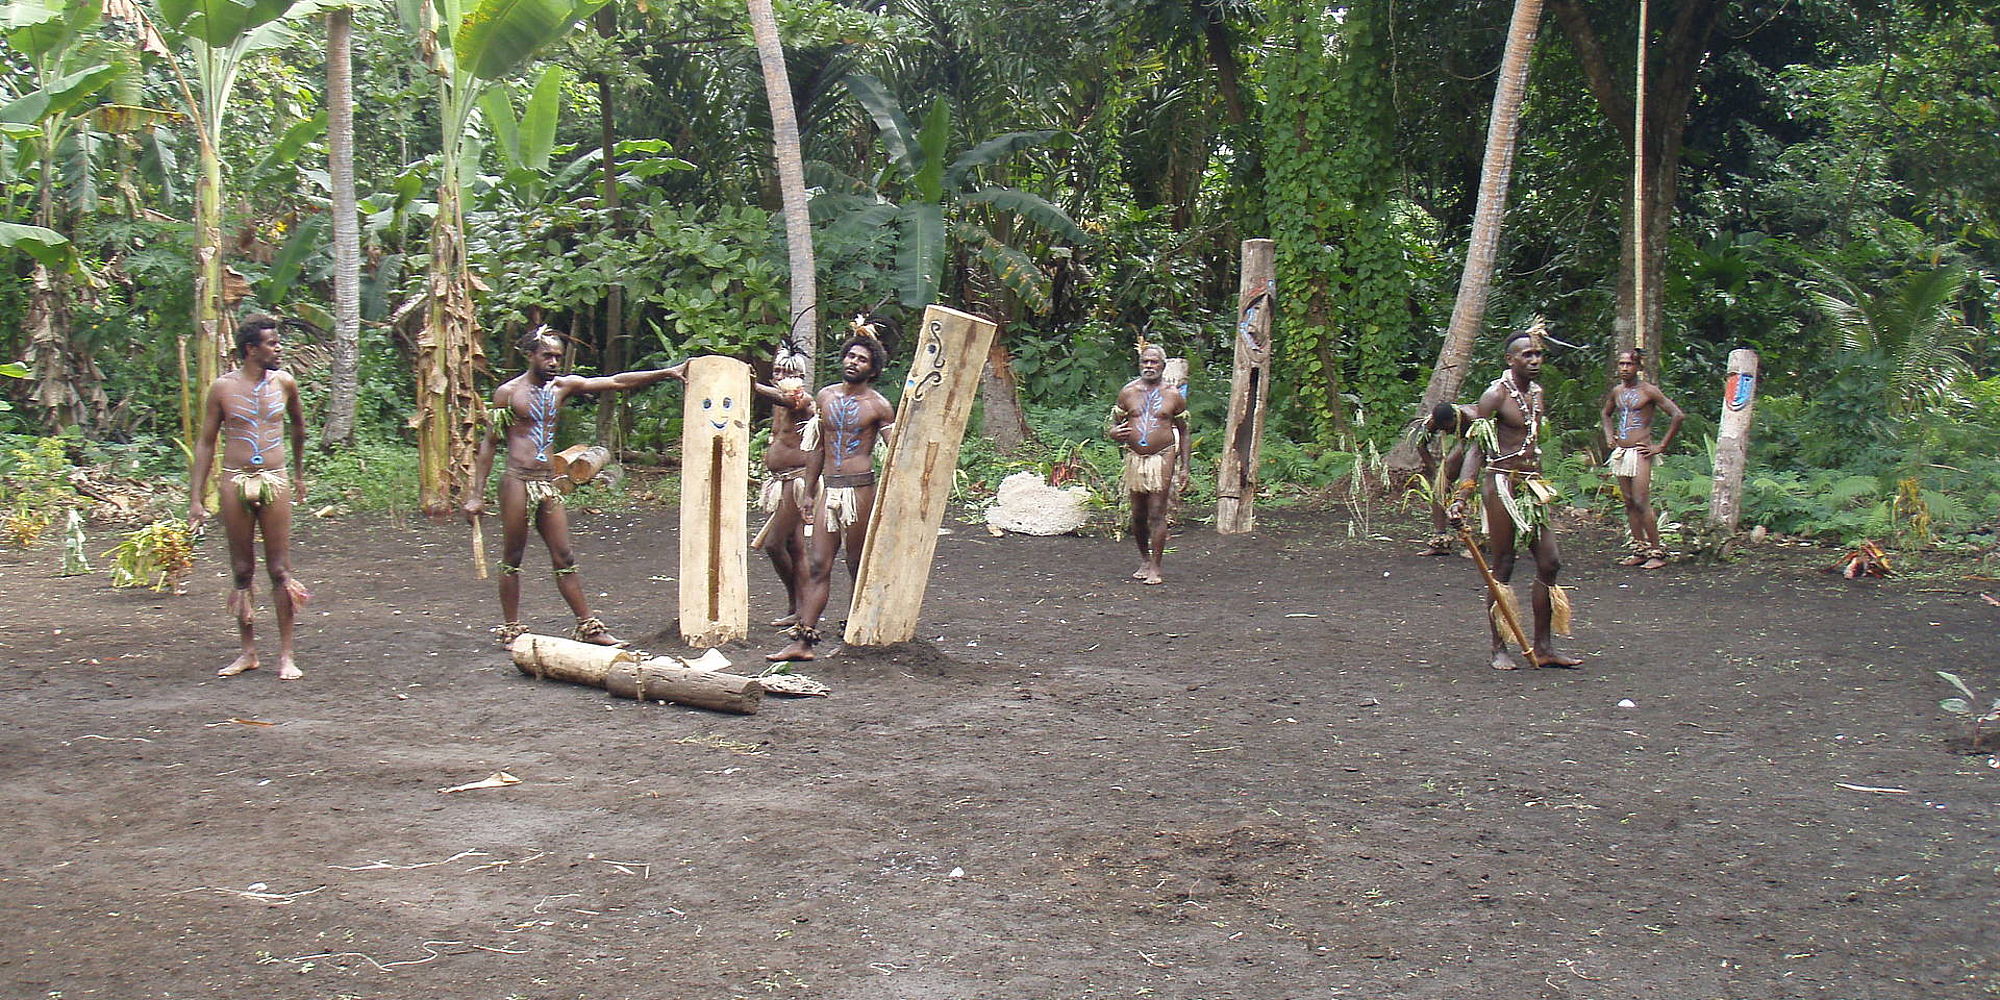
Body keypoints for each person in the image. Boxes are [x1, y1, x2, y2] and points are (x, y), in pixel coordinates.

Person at [466, 328, 685, 647]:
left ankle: (589, 627)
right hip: (516, 481)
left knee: (565, 555)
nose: (554, 362)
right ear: (531, 356)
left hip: (546, 484)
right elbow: (489, 444)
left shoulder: (562, 387)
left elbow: (616, 381)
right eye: (547, 356)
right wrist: (475, 495)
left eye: (558, 356)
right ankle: (512, 628)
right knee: (513, 556)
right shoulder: (508, 393)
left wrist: (667, 371)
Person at [189, 315, 312, 680]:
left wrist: (300, 474)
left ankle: (287, 655)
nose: (279, 349)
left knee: (280, 569)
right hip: (235, 480)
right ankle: (248, 652)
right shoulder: (222, 389)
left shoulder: (285, 383)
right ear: (251, 349)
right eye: (272, 344)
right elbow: (206, 441)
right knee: (242, 570)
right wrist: (196, 498)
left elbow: (299, 427)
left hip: (275, 478)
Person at [767, 319, 896, 662]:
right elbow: (818, 448)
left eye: (862, 360)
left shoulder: (879, 405)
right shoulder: (825, 396)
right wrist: (809, 492)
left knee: (856, 564)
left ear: (873, 369)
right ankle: (803, 642)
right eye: (850, 356)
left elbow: (895, 449)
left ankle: (859, 634)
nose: (853, 362)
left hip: (860, 491)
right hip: (829, 490)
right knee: (819, 565)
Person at [1460, 325, 1581, 669]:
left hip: (1531, 486)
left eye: (1538, 354)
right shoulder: (1494, 396)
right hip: (1500, 485)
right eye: (1526, 355)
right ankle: (1499, 647)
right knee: (1503, 566)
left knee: (1550, 562)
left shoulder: (1538, 393)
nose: (1534, 360)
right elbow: (1476, 449)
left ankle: (1543, 647)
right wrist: (1462, 495)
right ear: (1509, 359)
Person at [1108, 342, 1190, 585]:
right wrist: (1113, 432)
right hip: (1135, 458)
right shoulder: (1128, 392)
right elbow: (1112, 423)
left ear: (1164, 366)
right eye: (1145, 361)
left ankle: (1156, 566)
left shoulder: (1174, 395)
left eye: (1154, 362)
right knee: (1138, 514)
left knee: (1157, 511)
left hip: (1163, 456)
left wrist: (1185, 466)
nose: (1149, 366)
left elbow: (1185, 432)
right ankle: (1144, 559)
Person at [749, 345, 817, 627]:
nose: (781, 376)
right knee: (794, 545)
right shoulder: (779, 402)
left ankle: (802, 605)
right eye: (777, 371)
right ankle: (798, 608)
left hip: (796, 481)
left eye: (788, 372)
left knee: (775, 544)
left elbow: (794, 402)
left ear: (801, 376)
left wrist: (754, 386)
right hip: (780, 481)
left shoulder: (802, 400)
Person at [1599, 348, 1685, 570]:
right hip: (1622, 452)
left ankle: (1656, 551)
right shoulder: (1617, 391)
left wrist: (1661, 446)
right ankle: (1639, 549)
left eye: (1629, 364)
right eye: (1621, 364)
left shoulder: (1649, 391)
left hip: (1640, 452)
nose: (1625, 368)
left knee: (1640, 500)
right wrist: (1609, 436)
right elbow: (1606, 413)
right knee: (1628, 502)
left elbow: (1677, 415)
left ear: (1638, 367)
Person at [1415, 401, 1476, 557]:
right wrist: (1436, 471)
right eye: (1444, 429)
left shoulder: (1471, 417)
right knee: (1440, 486)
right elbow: (1421, 445)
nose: (1447, 432)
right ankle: (1440, 539)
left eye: (1450, 427)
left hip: (1478, 445)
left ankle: (1480, 541)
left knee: (1472, 488)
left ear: (1456, 417)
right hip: (1465, 443)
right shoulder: (1432, 423)